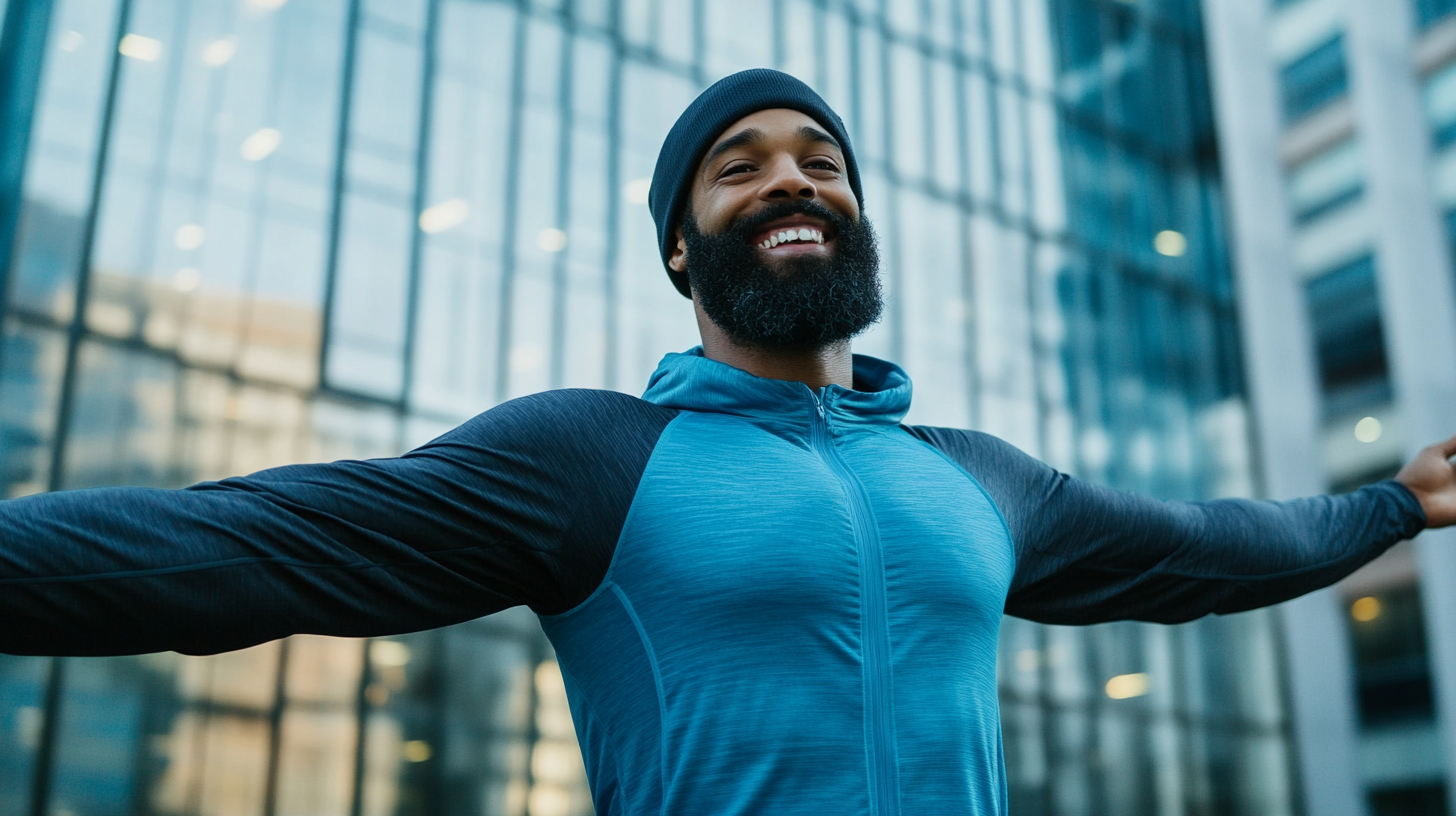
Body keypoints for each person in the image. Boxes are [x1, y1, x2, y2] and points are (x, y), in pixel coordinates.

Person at [2, 69, 1453, 815]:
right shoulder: (588, 460)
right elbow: (245, 546)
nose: (789, 180)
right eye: (738, 166)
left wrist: (1392, 504)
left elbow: (1207, 548)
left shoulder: (978, 479)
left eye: (821, 161)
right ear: (682, 254)